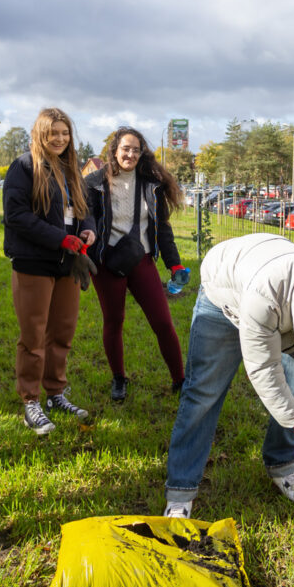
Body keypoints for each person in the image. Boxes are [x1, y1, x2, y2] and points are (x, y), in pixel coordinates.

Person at [163, 234, 294, 518]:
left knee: (293, 381)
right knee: (203, 394)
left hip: (269, 287)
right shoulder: (266, 295)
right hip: (224, 293)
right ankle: (180, 492)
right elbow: (263, 370)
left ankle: (282, 467)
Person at [3, 107, 96, 435]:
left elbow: (84, 210)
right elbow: (16, 216)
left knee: (62, 332)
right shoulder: (24, 166)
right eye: (53, 132)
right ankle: (31, 401)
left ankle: (56, 393)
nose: (59, 138)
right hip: (34, 262)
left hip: (68, 263)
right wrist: (61, 239)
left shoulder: (71, 169)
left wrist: (88, 231)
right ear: (40, 134)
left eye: (65, 133)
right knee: (34, 336)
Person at [84, 127, 187, 402]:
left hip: (141, 260)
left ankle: (180, 380)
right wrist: (90, 254)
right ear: (114, 149)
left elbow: (161, 228)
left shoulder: (150, 183)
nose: (130, 154)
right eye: (125, 148)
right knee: (114, 320)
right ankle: (119, 378)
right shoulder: (94, 182)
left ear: (141, 154)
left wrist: (174, 264)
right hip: (107, 263)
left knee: (163, 322)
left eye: (135, 149)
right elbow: (88, 222)